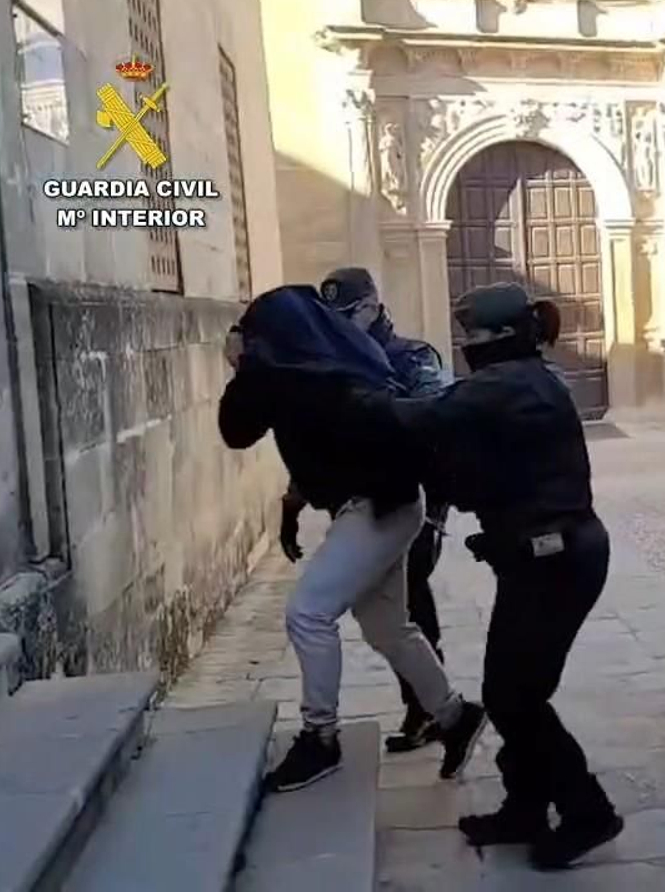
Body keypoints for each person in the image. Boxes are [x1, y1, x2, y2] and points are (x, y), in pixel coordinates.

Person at [350, 282, 621, 870]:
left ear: (503, 338)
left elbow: (420, 416)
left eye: (474, 335)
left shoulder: (510, 383)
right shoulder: (523, 378)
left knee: (515, 695)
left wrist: (351, 396)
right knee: (510, 691)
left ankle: (587, 811)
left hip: (557, 560)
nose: (468, 346)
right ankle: (524, 807)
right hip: (540, 558)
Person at [218, 284, 486, 792]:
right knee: (389, 628)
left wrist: (243, 365)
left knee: (308, 613)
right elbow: (243, 429)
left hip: (380, 506)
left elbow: (236, 427)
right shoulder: (307, 372)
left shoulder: (316, 380)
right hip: (388, 506)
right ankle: (455, 717)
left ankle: (321, 737)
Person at [277, 267, 455, 753]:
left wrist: (436, 516)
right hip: (363, 504)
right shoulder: (332, 364)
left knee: (408, 607)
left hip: (409, 502)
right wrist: (292, 504)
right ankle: (443, 710)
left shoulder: (409, 358)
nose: (341, 327)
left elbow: (438, 427)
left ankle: (424, 711)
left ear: (373, 309)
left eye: (350, 316)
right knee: (389, 622)